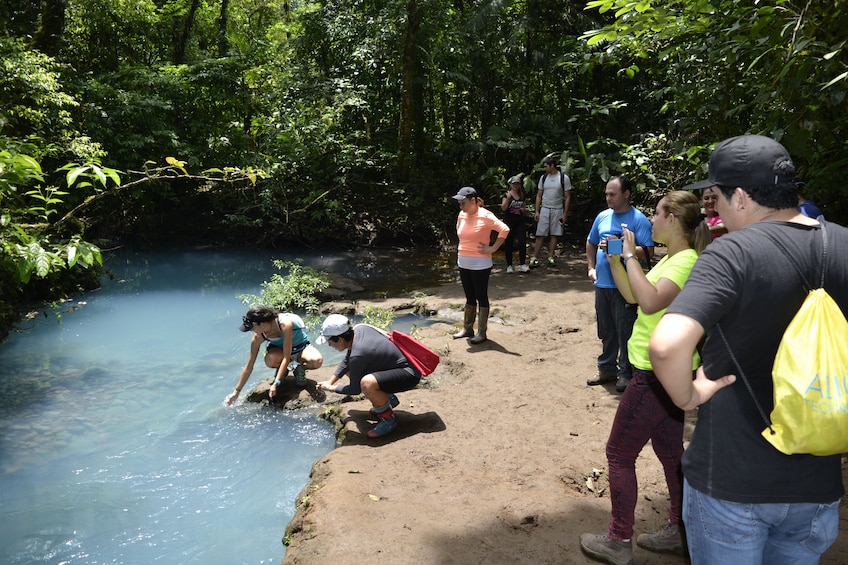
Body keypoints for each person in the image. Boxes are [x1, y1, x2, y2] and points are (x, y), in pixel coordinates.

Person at [648, 134, 848, 564]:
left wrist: (688, 396)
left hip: (733, 480)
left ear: (740, 196)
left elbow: (665, 346)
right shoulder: (844, 244)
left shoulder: (732, 252)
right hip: (818, 484)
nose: (714, 209)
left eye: (716, 196)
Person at [580, 190, 710, 565]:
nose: (650, 220)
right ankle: (682, 530)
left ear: (672, 220)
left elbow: (652, 301)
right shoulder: (671, 259)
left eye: (656, 214)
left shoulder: (686, 261)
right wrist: (616, 260)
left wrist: (630, 254)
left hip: (655, 376)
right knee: (671, 455)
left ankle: (619, 540)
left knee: (619, 453)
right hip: (659, 372)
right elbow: (634, 296)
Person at [586, 176, 654, 392]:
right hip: (603, 285)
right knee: (605, 329)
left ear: (626, 194)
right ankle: (606, 369)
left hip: (625, 287)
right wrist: (591, 267)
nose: (608, 198)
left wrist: (624, 248)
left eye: (612, 194)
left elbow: (649, 252)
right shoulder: (602, 216)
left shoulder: (638, 219)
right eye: (606, 194)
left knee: (625, 329)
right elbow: (591, 241)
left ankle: (625, 373)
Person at [315, 314, 421, 438]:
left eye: (330, 342)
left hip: (409, 374)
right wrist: (330, 381)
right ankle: (387, 399)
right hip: (401, 366)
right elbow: (348, 360)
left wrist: (330, 388)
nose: (329, 345)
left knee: (367, 383)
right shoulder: (359, 330)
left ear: (339, 339)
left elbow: (355, 390)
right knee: (353, 369)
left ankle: (388, 420)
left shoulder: (358, 353)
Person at [225, 306, 324, 405]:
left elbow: (287, 356)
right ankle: (285, 370)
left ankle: (299, 368)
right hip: (279, 352)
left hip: (300, 347)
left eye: (252, 328)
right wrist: (236, 392)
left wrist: (276, 383)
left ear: (262, 324)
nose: (252, 331)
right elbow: (249, 365)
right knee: (270, 360)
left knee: (316, 361)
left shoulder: (285, 323)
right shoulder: (258, 337)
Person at [451, 186, 510, 344]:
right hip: (463, 260)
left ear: (473, 201)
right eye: (459, 203)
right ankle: (467, 328)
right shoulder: (461, 215)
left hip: (480, 263)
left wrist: (493, 248)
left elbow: (504, 229)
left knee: (481, 296)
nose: (460, 206)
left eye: (463, 203)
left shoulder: (485, 215)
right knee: (469, 296)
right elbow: (460, 232)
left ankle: (481, 332)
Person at [530, 156, 572, 267]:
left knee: (555, 234)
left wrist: (565, 213)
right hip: (545, 208)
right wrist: (537, 211)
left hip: (557, 209)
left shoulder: (563, 178)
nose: (544, 168)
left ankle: (551, 257)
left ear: (552, 166)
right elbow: (539, 195)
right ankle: (534, 257)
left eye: (545, 166)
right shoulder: (543, 178)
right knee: (540, 234)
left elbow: (567, 197)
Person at [501, 175, 529, 273]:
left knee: (522, 242)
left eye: (517, 184)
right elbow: (503, 208)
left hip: (519, 221)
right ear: (511, 185)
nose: (516, 186)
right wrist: (508, 199)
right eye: (514, 184)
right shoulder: (507, 195)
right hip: (509, 221)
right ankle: (509, 265)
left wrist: (523, 210)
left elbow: (524, 208)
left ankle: (522, 264)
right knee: (509, 242)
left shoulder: (522, 195)